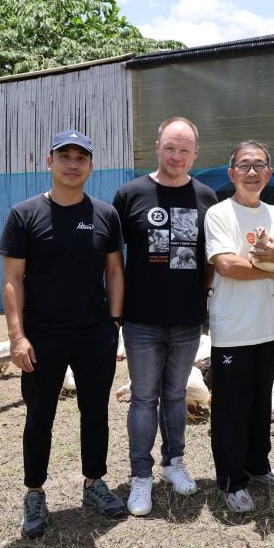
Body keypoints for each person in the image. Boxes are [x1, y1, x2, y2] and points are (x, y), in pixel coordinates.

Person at [0, 129, 128, 540]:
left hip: (95, 334)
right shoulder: (25, 214)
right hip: (43, 336)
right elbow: (13, 278)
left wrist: (114, 323)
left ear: (91, 165)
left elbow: (114, 271)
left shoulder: (105, 214)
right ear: (49, 161)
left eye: (81, 157)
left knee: (95, 413)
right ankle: (34, 493)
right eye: (64, 155)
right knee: (40, 417)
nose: (73, 163)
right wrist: (18, 337)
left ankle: (94, 483)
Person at [112, 116, 217, 517]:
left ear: (195, 154)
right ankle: (141, 475)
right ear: (157, 147)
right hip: (141, 320)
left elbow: (212, 255)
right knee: (143, 398)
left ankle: (175, 463)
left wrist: (204, 291)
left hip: (187, 319)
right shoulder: (131, 194)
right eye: (170, 147)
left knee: (176, 395)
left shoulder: (206, 197)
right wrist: (116, 312)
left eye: (184, 150)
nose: (177, 156)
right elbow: (113, 257)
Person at [205, 140, 274, 512]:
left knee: (261, 403)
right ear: (232, 174)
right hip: (233, 328)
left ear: (269, 173)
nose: (251, 171)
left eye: (259, 165)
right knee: (231, 407)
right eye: (244, 165)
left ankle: (258, 465)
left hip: (267, 328)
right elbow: (226, 265)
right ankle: (232, 481)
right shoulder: (219, 214)